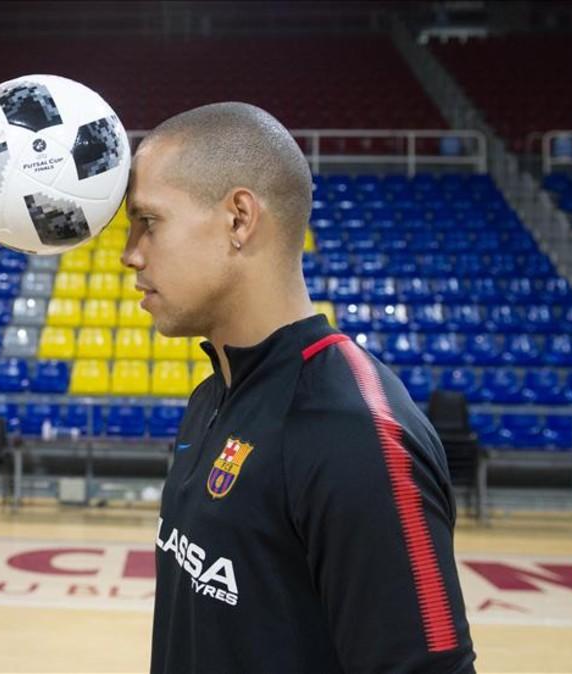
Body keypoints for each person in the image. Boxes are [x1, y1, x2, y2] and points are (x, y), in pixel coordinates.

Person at [122, 102, 476, 673]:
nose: (130, 253)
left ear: (239, 219)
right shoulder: (212, 396)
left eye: (149, 221)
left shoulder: (355, 431)